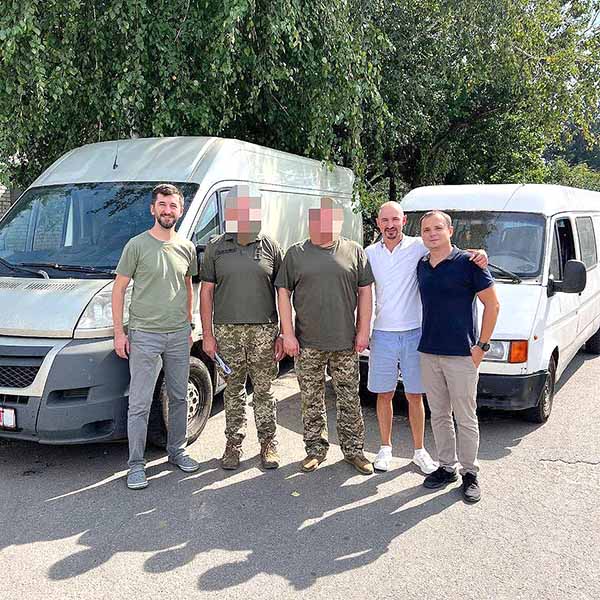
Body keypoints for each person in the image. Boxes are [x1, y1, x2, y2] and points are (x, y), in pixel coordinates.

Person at [366, 201, 488, 474]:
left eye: (395, 219)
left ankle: (419, 451)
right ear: (378, 223)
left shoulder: (418, 246)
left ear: (403, 221)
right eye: (385, 220)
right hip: (382, 333)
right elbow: (361, 291)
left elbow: (448, 248)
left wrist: (479, 253)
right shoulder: (369, 253)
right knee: (384, 394)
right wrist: (363, 330)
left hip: (416, 334)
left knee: (414, 395)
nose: (390, 225)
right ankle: (385, 448)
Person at [276, 197, 375, 475]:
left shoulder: (354, 251)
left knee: (349, 399)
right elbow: (283, 292)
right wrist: (287, 334)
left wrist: (363, 331)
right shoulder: (296, 254)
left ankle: (354, 451)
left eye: (331, 218)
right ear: (311, 221)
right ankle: (315, 450)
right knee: (311, 399)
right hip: (307, 343)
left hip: (345, 342)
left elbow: (365, 293)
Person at [112, 183, 200, 490]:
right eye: (162, 204)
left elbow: (188, 287)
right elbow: (119, 290)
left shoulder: (187, 247)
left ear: (180, 210)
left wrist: (189, 325)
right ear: (153, 209)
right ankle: (136, 465)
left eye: (173, 205)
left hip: (178, 334)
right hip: (144, 335)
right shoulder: (136, 245)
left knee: (179, 397)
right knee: (139, 403)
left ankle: (177, 450)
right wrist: (119, 333)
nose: (167, 210)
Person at [417, 210, 500, 503]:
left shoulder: (469, 263)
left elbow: (493, 305)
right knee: (439, 414)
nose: (432, 233)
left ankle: (470, 473)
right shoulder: (422, 264)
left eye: (438, 228)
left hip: (462, 355)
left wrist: (482, 346)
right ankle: (446, 467)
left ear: (450, 231)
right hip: (429, 352)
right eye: (426, 230)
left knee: (465, 416)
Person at [200, 185, 285, 470]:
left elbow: (283, 293)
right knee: (233, 391)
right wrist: (208, 335)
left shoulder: (270, 246)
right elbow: (206, 292)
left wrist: (284, 333)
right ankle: (233, 445)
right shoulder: (216, 246)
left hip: (264, 332)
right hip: (227, 332)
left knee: (264, 390)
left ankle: (268, 443)